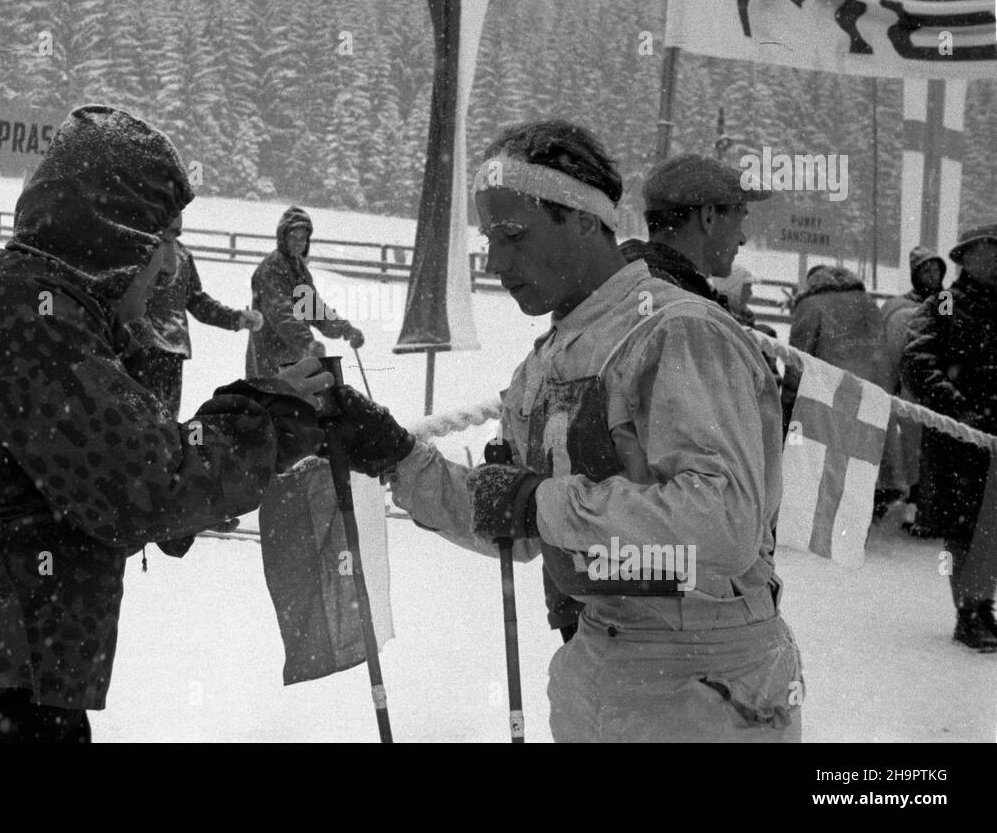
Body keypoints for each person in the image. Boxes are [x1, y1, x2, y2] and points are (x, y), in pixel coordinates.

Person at [0, 106, 331, 742]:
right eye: (162, 238)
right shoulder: (29, 313)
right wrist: (268, 416)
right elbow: (143, 490)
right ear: (114, 236)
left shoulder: (51, 307)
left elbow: (110, 480)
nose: (169, 264)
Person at [316, 119, 803, 742]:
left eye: (513, 235)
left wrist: (538, 502)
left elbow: (725, 519)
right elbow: (515, 525)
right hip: (598, 662)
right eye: (491, 239)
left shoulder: (677, 330)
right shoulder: (546, 362)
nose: (495, 261)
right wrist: (396, 454)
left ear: (581, 219)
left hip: (705, 679)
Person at [901, 224, 997, 652]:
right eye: (990, 247)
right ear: (966, 255)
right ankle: (968, 611)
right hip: (960, 439)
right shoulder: (944, 302)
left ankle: (982, 606)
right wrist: (957, 407)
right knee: (964, 529)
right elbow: (917, 359)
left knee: (992, 528)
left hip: (992, 437)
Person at [125, 214, 263, 423]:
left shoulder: (183, 255)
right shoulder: (137, 247)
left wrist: (236, 318)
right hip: (139, 348)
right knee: (140, 419)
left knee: (167, 421)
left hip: (173, 353)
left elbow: (197, 301)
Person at [620, 153, 770, 327]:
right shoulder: (685, 315)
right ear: (708, 217)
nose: (742, 239)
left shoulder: (625, 282)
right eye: (739, 221)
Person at [246, 206, 365, 378]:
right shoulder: (271, 269)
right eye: (293, 237)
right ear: (283, 237)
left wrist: (345, 329)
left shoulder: (298, 269)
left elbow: (314, 309)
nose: (298, 242)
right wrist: (307, 343)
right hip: (269, 363)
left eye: (303, 238)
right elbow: (282, 314)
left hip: (294, 362)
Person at [780, 265, 893, 436]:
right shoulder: (868, 303)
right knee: (859, 460)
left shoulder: (810, 304)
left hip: (824, 404)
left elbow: (797, 362)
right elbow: (882, 358)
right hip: (868, 404)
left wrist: (788, 408)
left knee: (818, 459)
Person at [880, 247, 946, 535]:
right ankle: (915, 505)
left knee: (938, 451)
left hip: (940, 387)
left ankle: (934, 506)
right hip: (911, 389)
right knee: (912, 450)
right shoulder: (899, 307)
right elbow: (887, 352)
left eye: (936, 270)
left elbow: (951, 338)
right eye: (926, 271)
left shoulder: (946, 301)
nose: (932, 276)